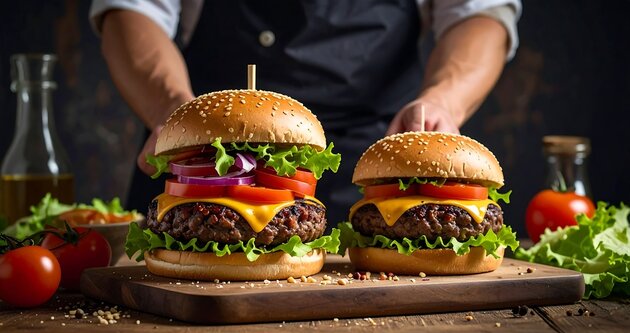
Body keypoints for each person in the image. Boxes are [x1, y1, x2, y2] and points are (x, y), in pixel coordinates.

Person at [90, 0, 521, 226]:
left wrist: (443, 101)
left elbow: (481, 12)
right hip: (205, 160)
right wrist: (174, 113)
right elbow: (132, 8)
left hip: (379, 158)